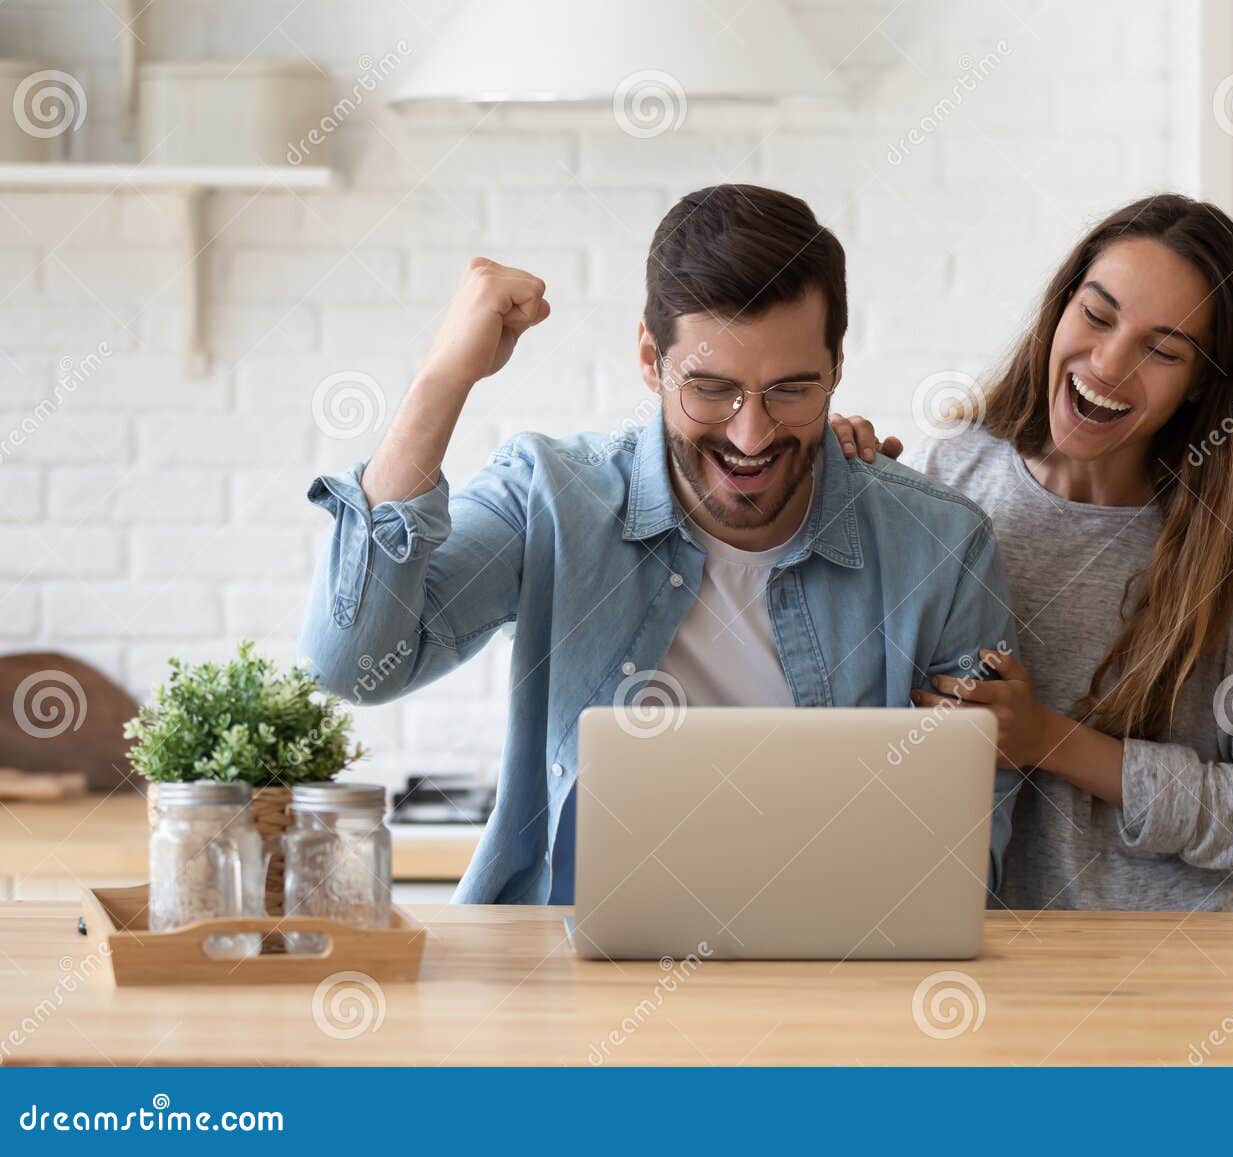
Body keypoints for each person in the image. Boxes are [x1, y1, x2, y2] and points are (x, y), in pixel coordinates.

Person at [299, 184, 1019, 905]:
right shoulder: (553, 497)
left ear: (836, 365)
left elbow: (960, 861)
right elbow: (353, 667)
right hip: (567, 982)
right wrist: (443, 377)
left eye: (791, 390)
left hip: (835, 982)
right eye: (712, 389)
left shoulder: (941, 546)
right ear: (650, 357)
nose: (751, 435)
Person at [831, 193, 1233, 912]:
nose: (1108, 362)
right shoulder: (956, 475)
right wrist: (837, 482)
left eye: (1162, 350)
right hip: (977, 958)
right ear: (1061, 308)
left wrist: (1048, 739)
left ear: (1201, 386)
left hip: (1167, 977)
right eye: (1097, 316)